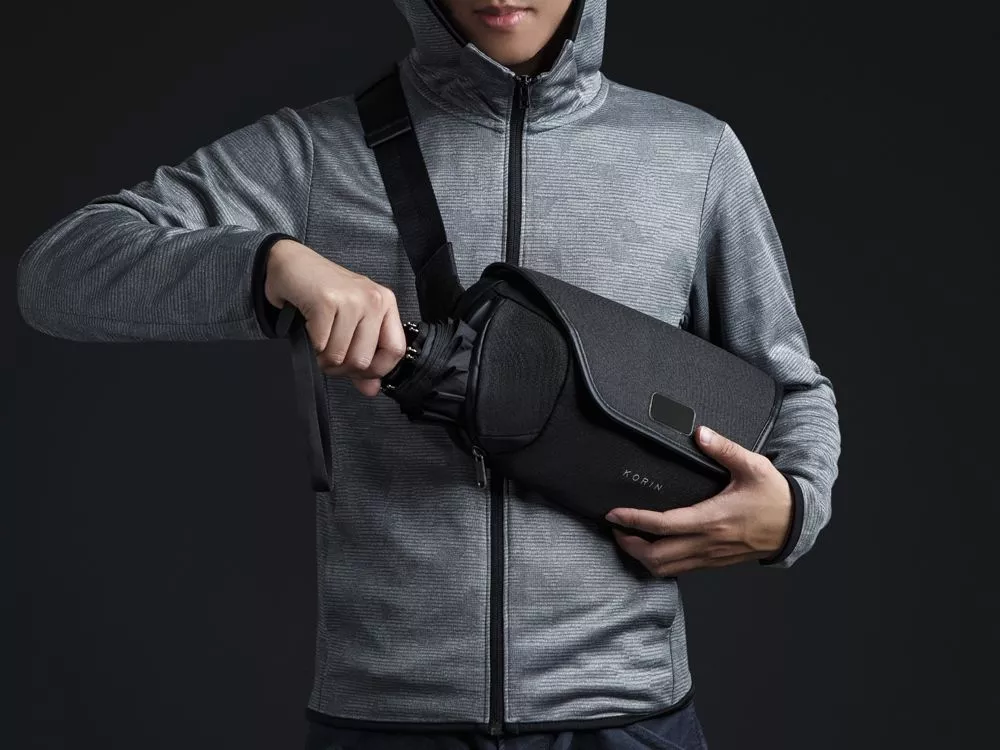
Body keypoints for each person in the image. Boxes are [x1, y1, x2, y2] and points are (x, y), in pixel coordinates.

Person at [16, 1, 842, 748]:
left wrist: (793, 509)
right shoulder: (317, 152)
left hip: (628, 716)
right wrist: (272, 264)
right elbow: (57, 274)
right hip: (385, 718)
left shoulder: (693, 155)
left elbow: (792, 387)